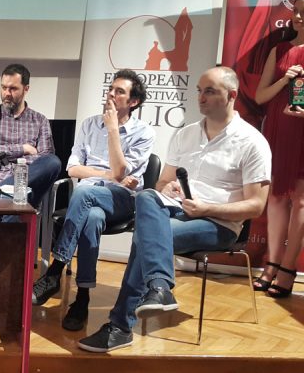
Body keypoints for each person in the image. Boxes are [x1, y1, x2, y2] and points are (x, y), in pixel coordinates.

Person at [78, 66, 271, 353]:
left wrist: (207, 207)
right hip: (177, 211)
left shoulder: (252, 142)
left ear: (232, 95)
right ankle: (159, 287)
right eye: (199, 91)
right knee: (147, 196)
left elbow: (256, 206)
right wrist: (167, 188)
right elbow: (162, 182)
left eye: (209, 91)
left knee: (147, 235)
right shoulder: (186, 134)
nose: (201, 98)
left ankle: (121, 325)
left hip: (219, 224)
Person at [32, 69, 155, 332]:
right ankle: (82, 299)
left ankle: (55, 270)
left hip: (121, 200)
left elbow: (121, 173)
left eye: (119, 91)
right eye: (111, 88)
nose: (110, 94)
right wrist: (108, 175)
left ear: (133, 102)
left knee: (83, 193)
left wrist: (113, 129)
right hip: (89, 200)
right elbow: (73, 169)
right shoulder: (89, 125)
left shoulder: (143, 133)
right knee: (92, 218)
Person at [252, 0, 304, 298]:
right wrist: (285, 80)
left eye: (303, 11)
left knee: (301, 201)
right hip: (278, 128)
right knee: (276, 198)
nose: (297, 16)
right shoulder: (279, 49)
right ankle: (271, 263)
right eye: (296, 10)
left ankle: (288, 268)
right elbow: (260, 96)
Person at [0, 63, 62, 219]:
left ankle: (9, 195)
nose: (7, 93)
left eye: (13, 89)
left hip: (28, 182)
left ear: (26, 89)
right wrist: (23, 149)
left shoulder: (40, 120)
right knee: (19, 203)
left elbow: (45, 159)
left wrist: (11, 160)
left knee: (53, 162)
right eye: (3, 87)